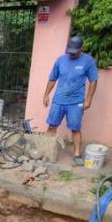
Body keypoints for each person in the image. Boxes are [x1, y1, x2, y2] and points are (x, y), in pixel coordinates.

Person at [42, 36, 99, 166]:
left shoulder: (88, 61)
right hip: (59, 100)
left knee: (75, 128)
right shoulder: (60, 60)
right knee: (51, 126)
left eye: (74, 52)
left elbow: (93, 81)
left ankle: (77, 154)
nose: (71, 54)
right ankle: (46, 151)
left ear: (81, 49)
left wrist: (89, 99)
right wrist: (46, 95)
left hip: (76, 102)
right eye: (70, 51)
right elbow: (52, 78)